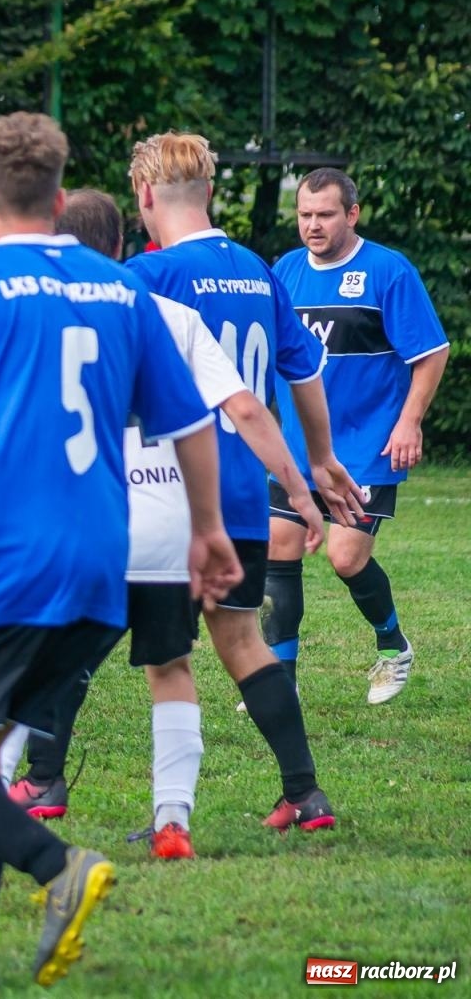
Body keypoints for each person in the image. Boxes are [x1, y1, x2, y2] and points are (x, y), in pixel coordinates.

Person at [0, 114, 240, 992]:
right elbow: (191, 425)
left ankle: (55, 866)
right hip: (99, 566)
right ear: (62, 197)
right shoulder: (124, 293)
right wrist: (210, 531)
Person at [0, 189, 326, 868]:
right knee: (171, 667)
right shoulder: (168, 312)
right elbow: (247, 408)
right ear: (121, 245)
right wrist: (301, 492)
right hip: (171, 522)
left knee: (33, 667)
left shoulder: (46, 313)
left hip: (94, 519)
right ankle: (172, 822)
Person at [122, 131, 363, 834]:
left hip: (174, 495)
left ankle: (158, 813)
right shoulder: (260, 270)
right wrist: (316, 462)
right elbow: (304, 371)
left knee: (164, 659)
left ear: (144, 196)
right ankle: (305, 792)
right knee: (242, 641)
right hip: (245, 499)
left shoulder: (150, 275)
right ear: (211, 193)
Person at [265, 168, 449, 704]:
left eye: (324, 214)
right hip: (297, 445)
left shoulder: (387, 271)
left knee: (346, 557)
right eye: (304, 215)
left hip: (366, 443)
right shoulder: (285, 271)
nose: (312, 225)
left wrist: (409, 420)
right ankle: (280, 679)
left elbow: (432, 352)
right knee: (280, 547)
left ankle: (393, 647)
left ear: (352, 214)